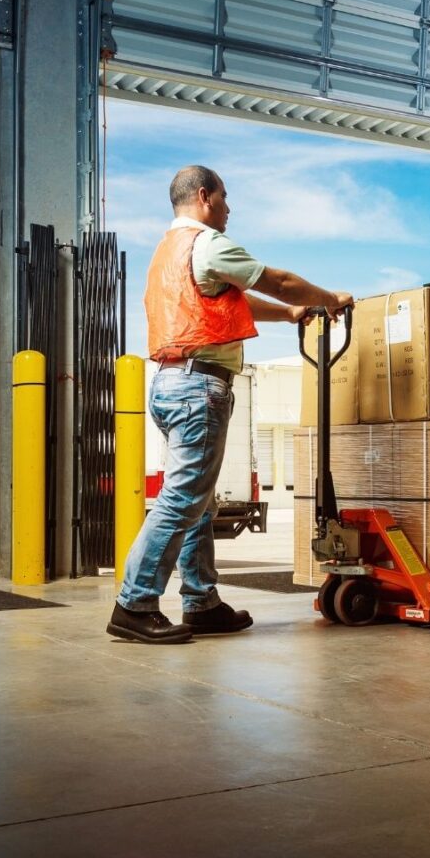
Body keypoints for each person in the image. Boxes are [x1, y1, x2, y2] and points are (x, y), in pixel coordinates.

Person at [107, 165, 354, 644]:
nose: (228, 208)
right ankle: (134, 604)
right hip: (199, 387)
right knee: (182, 500)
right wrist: (328, 299)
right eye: (224, 198)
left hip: (170, 382)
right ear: (204, 196)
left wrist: (288, 315)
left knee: (197, 503)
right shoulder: (208, 243)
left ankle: (201, 602)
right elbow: (276, 280)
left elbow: (238, 300)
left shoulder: (168, 253)